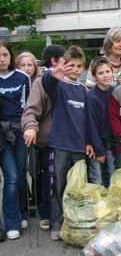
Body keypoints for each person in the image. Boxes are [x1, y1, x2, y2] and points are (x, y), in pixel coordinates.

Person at [41, 46, 89, 241]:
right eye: (71, 65)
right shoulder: (58, 85)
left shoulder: (85, 91)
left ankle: (74, 223)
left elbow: (88, 121)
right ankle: (56, 223)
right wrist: (55, 74)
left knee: (76, 189)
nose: (75, 70)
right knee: (58, 187)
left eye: (79, 66)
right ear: (63, 65)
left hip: (79, 147)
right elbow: (47, 82)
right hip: (60, 146)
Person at [21, 44, 66, 231]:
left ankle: (64, 215)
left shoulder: (71, 80)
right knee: (49, 178)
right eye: (65, 59)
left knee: (65, 180)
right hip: (49, 140)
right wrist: (31, 127)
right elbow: (30, 109)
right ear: (54, 61)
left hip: (71, 141)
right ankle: (47, 214)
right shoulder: (40, 82)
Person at [0, 40, 31, 240]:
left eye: (4, 55)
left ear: (10, 56)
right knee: (10, 178)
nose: (1, 60)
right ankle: (11, 221)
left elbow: (28, 107)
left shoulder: (23, 77)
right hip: (0, 135)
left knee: (20, 174)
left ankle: (22, 213)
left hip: (20, 132)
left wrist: (30, 128)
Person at [85, 57, 115, 186]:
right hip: (97, 143)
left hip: (113, 143)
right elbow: (91, 125)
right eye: (101, 73)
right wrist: (99, 150)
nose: (105, 75)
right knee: (97, 179)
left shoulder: (115, 92)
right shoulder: (91, 97)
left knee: (113, 176)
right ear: (95, 76)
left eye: (107, 72)